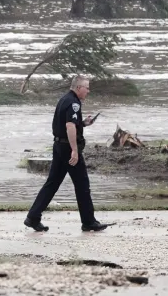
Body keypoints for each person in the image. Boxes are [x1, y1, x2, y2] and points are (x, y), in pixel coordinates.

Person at [24, 75, 109, 233]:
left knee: (52, 183)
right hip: (67, 148)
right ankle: (89, 222)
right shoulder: (74, 103)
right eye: (87, 88)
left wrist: (83, 124)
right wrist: (74, 150)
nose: (88, 91)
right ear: (78, 88)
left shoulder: (65, 99)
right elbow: (70, 127)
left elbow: (69, 124)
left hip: (59, 145)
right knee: (82, 184)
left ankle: (33, 217)